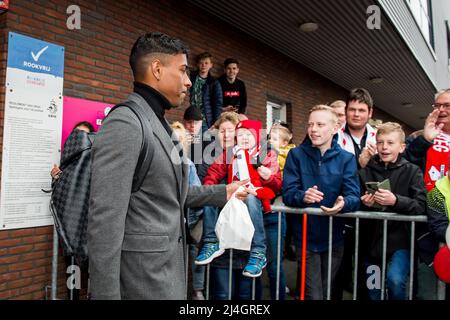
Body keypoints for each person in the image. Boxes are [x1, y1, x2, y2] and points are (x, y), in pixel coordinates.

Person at [87, 32, 254, 300]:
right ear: (156, 69)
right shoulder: (125, 124)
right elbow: (104, 223)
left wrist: (225, 191)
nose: (188, 81)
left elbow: (172, 193)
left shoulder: (160, 123)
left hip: (167, 275)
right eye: (182, 71)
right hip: (142, 282)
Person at [283, 105, 360, 300]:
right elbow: (288, 193)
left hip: (335, 237)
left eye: (320, 124)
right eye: (310, 124)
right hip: (305, 237)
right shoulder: (296, 155)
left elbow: (353, 195)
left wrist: (344, 203)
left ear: (335, 128)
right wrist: (303, 196)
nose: (313, 129)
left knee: (327, 292)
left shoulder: (347, 159)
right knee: (313, 294)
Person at [196, 119, 282, 278]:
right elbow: (215, 171)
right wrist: (209, 185)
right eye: (240, 134)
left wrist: (268, 177)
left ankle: (258, 251)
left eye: (248, 134)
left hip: (256, 194)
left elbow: (277, 185)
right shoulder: (231, 152)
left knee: (250, 199)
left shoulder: (265, 153)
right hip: (234, 193)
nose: (244, 137)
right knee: (212, 194)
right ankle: (211, 242)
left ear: (257, 136)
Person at [358, 122, 426, 300]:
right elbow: (355, 201)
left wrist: (396, 201)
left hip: (401, 242)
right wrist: (364, 203)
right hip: (372, 243)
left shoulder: (413, 171)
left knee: (395, 280)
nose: (384, 147)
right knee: (374, 290)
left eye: (390, 142)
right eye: (380, 142)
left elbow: (421, 205)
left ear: (402, 147)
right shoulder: (366, 172)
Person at [404, 88, 450, 299]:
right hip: (428, 221)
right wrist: (426, 140)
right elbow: (405, 166)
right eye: (437, 105)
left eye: (447, 105)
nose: (441, 110)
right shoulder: (419, 136)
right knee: (428, 286)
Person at [50, 120, 95, 300]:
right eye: (77, 134)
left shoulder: (94, 161)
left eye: (84, 135)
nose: (80, 139)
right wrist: (56, 180)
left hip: (91, 229)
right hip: (70, 230)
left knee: (93, 275)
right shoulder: (66, 164)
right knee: (73, 272)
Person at [171, 121, 206, 300]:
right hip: (170, 223)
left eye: (180, 139)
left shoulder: (189, 165)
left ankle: (197, 290)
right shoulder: (163, 162)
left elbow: (196, 193)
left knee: (194, 255)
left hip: (188, 221)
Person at [264, 125, 296, 300]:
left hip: (276, 211)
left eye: (274, 139)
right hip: (264, 207)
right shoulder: (266, 154)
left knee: (275, 262)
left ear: (285, 143)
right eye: (269, 138)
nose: (270, 141)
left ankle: (278, 291)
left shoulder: (287, 157)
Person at [189, 52, 223, 133]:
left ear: (211, 65)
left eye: (206, 63)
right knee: (191, 143)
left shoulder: (214, 83)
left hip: (205, 121)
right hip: (190, 117)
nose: (203, 65)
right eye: (201, 63)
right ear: (197, 64)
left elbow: (218, 104)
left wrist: (215, 123)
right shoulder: (191, 76)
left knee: (204, 143)